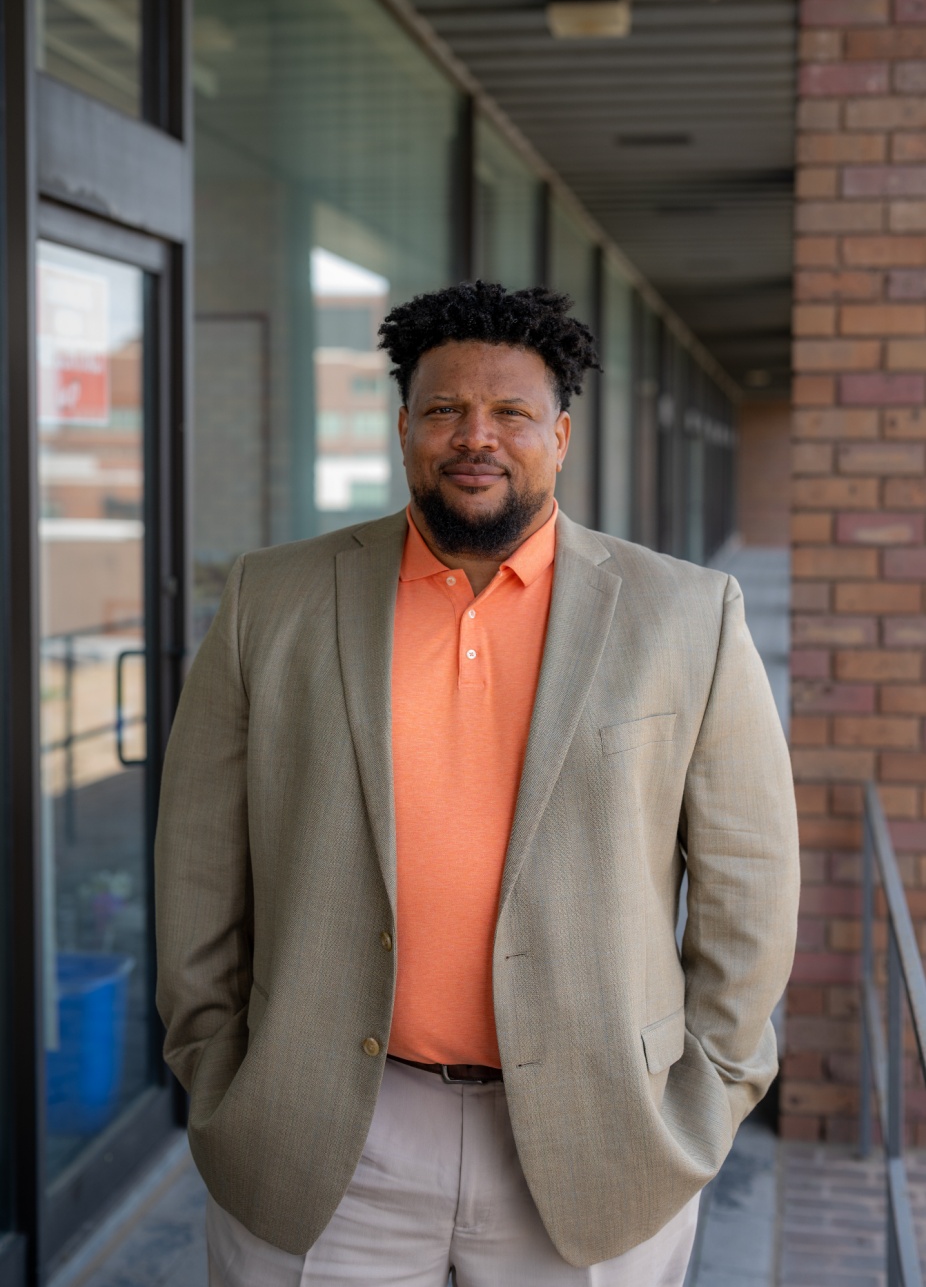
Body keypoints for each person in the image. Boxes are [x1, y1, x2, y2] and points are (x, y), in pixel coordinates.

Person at [155, 282, 799, 1287]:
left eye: (510, 412)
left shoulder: (684, 614)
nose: (476, 436)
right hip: (325, 1133)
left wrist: (706, 1090)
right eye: (446, 409)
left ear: (561, 434)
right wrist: (214, 1056)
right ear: (404, 425)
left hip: (599, 1138)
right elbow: (199, 854)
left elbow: (747, 878)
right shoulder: (269, 597)